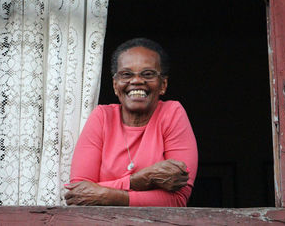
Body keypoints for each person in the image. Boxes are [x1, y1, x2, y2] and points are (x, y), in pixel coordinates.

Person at [65, 38, 198, 206]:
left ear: (163, 84)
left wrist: (106, 195)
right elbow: (78, 195)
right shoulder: (102, 117)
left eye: (148, 74)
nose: (136, 81)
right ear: (115, 85)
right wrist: (140, 180)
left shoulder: (171, 114)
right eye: (126, 74)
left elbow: (178, 199)